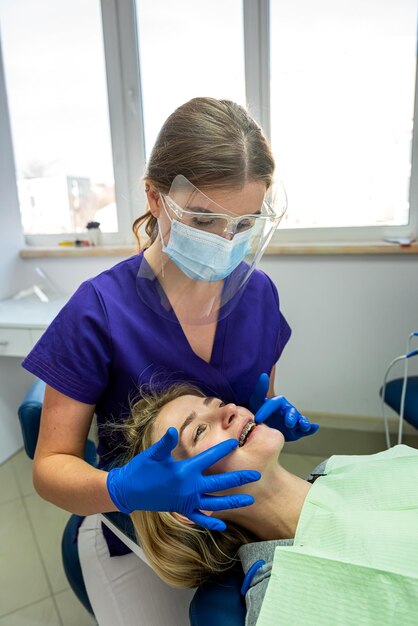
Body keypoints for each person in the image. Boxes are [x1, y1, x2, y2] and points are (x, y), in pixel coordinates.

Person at [22, 97, 317, 625]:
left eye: (245, 221)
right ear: (155, 197)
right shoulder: (99, 311)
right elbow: (49, 471)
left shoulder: (258, 295)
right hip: (139, 526)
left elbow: (261, 397)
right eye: (205, 219)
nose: (226, 240)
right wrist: (122, 488)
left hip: (233, 515)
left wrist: (266, 419)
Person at [120, 384, 418, 626]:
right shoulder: (278, 599)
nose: (230, 411)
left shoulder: (349, 468)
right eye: (199, 431)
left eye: (219, 403)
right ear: (186, 502)